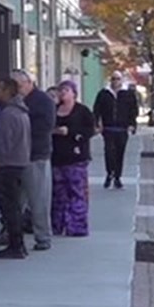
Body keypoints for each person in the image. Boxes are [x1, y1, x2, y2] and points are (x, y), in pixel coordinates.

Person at [0, 78, 33, 260]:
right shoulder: (21, 112)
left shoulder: (8, 114)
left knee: (9, 208)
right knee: (14, 207)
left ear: (7, 91)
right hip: (19, 164)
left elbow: (2, 143)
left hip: (7, 166)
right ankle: (18, 244)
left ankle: (15, 245)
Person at [15, 69, 57, 252]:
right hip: (16, 157)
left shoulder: (42, 101)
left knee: (38, 199)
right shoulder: (15, 101)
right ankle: (12, 234)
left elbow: (46, 126)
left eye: (19, 85)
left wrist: (23, 131)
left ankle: (43, 236)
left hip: (36, 155)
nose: (16, 89)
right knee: (16, 200)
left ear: (29, 82)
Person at [52, 80, 97, 237]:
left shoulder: (82, 111)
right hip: (56, 157)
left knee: (76, 192)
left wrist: (71, 132)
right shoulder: (54, 110)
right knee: (58, 194)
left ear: (74, 93)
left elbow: (90, 130)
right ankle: (58, 224)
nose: (62, 93)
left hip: (76, 157)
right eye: (60, 90)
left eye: (66, 90)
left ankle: (77, 226)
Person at [92, 74, 139, 189]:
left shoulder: (127, 94)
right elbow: (96, 109)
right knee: (109, 151)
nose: (115, 81)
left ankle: (117, 176)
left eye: (118, 79)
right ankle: (109, 173)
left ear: (121, 81)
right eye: (113, 79)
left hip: (122, 129)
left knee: (120, 152)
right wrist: (97, 124)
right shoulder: (103, 94)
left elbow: (133, 110)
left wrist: (132, 124)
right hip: (108, 128)